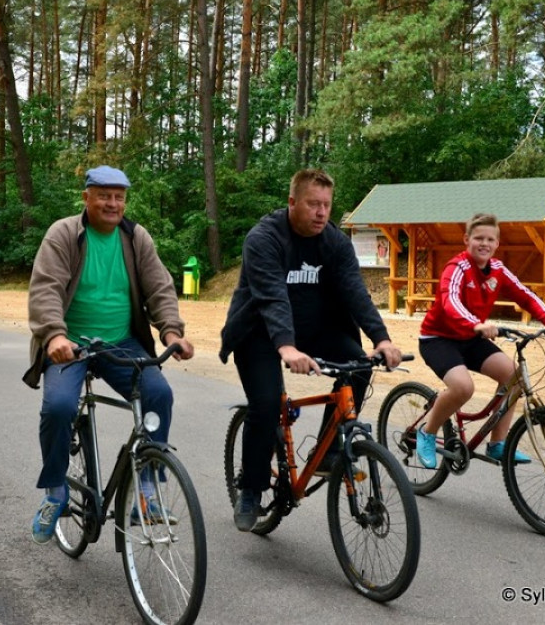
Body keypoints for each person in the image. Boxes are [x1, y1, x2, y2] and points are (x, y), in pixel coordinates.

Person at [219, 168, 403, 532]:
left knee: (359, 366)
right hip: (259, 333)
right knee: (267, 405)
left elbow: (355, 292)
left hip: (316, 330)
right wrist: (285, 347)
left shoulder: (334, 242)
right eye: (312, 204)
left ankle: (329, 449)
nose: (321, 212)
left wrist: (381, 339)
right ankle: (252, 490)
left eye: (326, 205)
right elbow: (272, 297)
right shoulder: (264, 238)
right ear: (292, 203)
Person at [22, 165, 195, 544]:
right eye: (104, 195)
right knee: (59, 408)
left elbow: (160, 288)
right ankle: (55, 490)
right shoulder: (64, 234)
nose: (112, 203)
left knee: (159, 394)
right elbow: (46, 289)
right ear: (86, 197)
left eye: (119, 196)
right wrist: (53, 336)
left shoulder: (135, 238)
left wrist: (170, 331)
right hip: (69, 344)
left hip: (122, 341)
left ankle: (146, 490)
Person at [414, 213, 545, 469]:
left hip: (471, 338)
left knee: (514, 378)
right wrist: (476, 323)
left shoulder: (498, 269)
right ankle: (427, 431)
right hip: (438, 339)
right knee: (463, 388)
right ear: (467, 239)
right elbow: (449, 302)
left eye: (490, 239)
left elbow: (525, 295)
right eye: (478, 238)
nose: (484, 244)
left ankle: (498, 444)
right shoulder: (457, 268)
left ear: (497, 243)